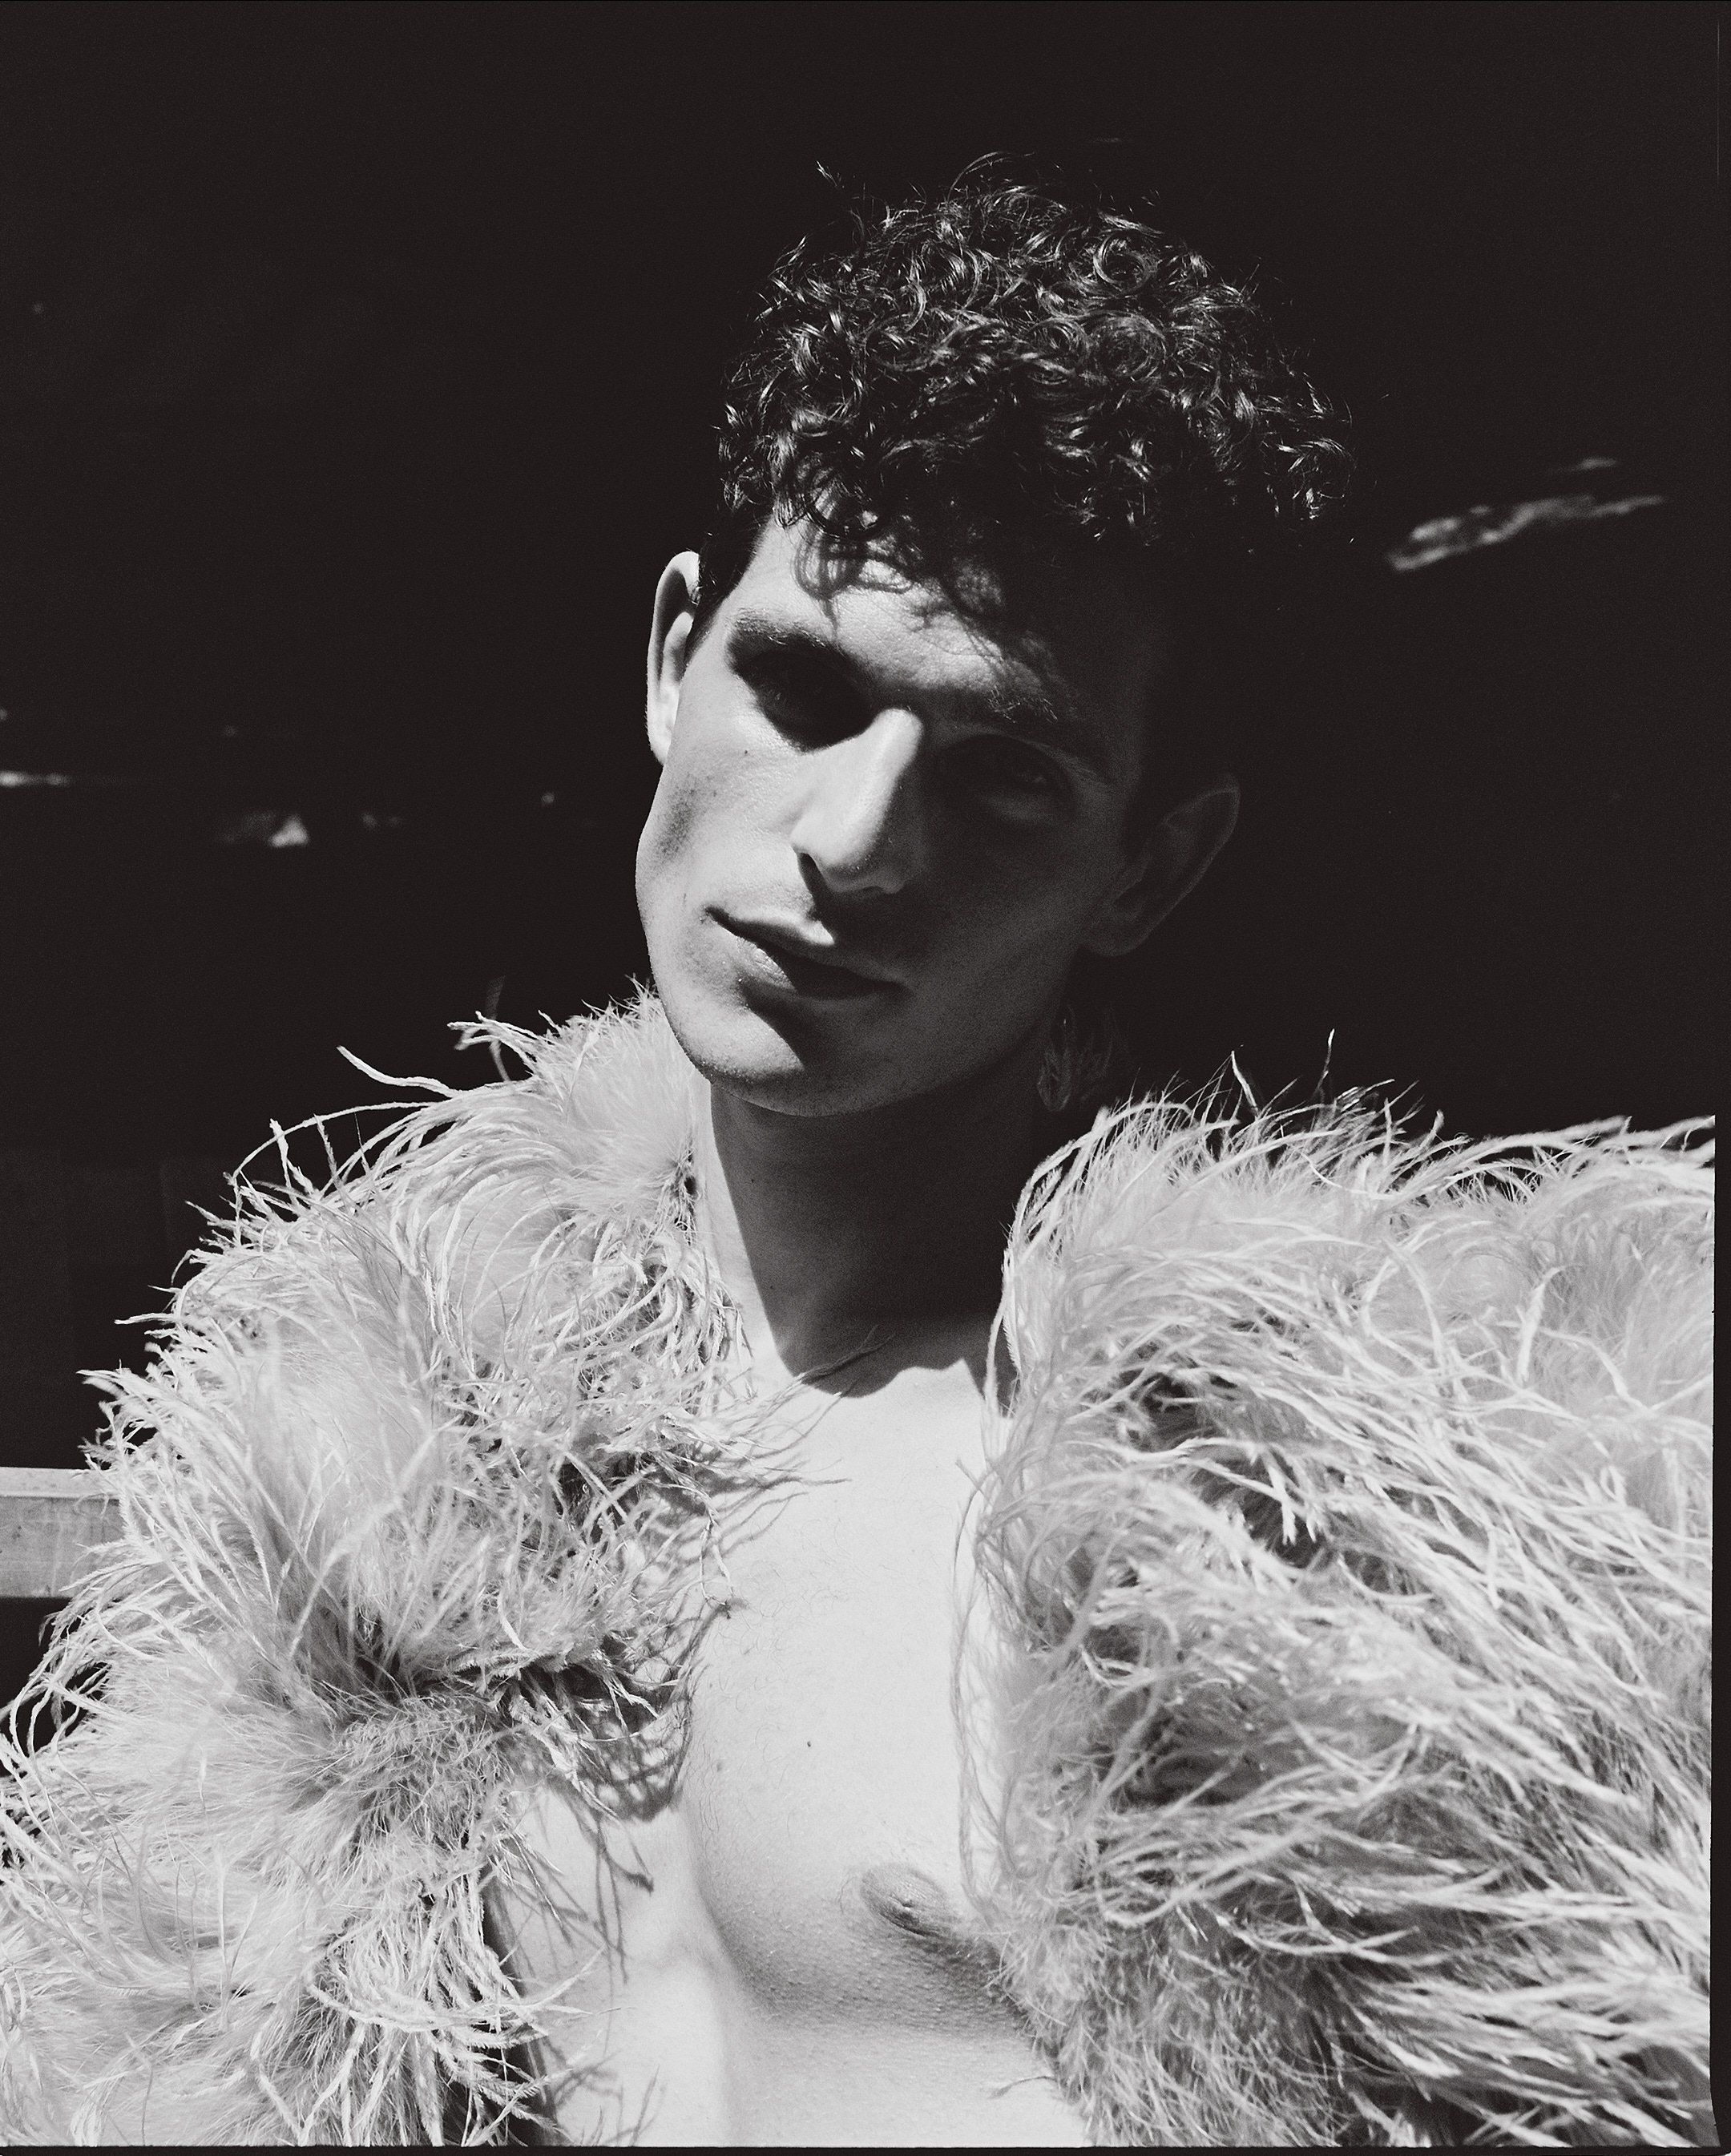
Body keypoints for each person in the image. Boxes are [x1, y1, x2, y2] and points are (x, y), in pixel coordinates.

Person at [0, 175, 1711, 2148]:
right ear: (671, 661)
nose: (855, 841)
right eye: (803, 690)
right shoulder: (379, 1484)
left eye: (1003, 770)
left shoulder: (1289, 1573)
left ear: (1149, 864)